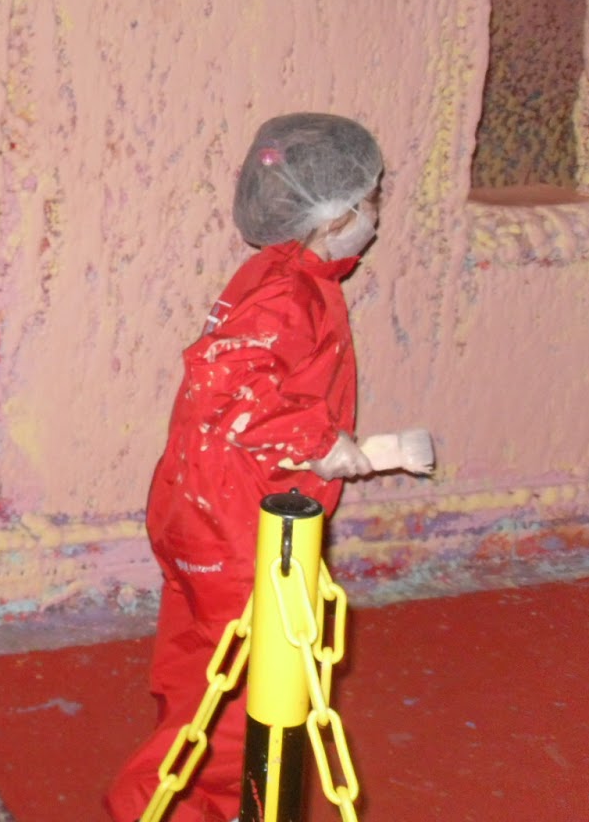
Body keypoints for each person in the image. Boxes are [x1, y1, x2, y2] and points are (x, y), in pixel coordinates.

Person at [106, 112, 384, 822]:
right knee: (241, 699)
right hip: (237, 522)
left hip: (199, 503)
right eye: (370, 199)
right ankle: (156, 807)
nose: (377, 214)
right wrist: (320, 441)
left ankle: (193, 806)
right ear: (333, 216)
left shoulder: (281, 272)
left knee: (197, 666)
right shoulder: (289, 294)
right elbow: (223, 383)